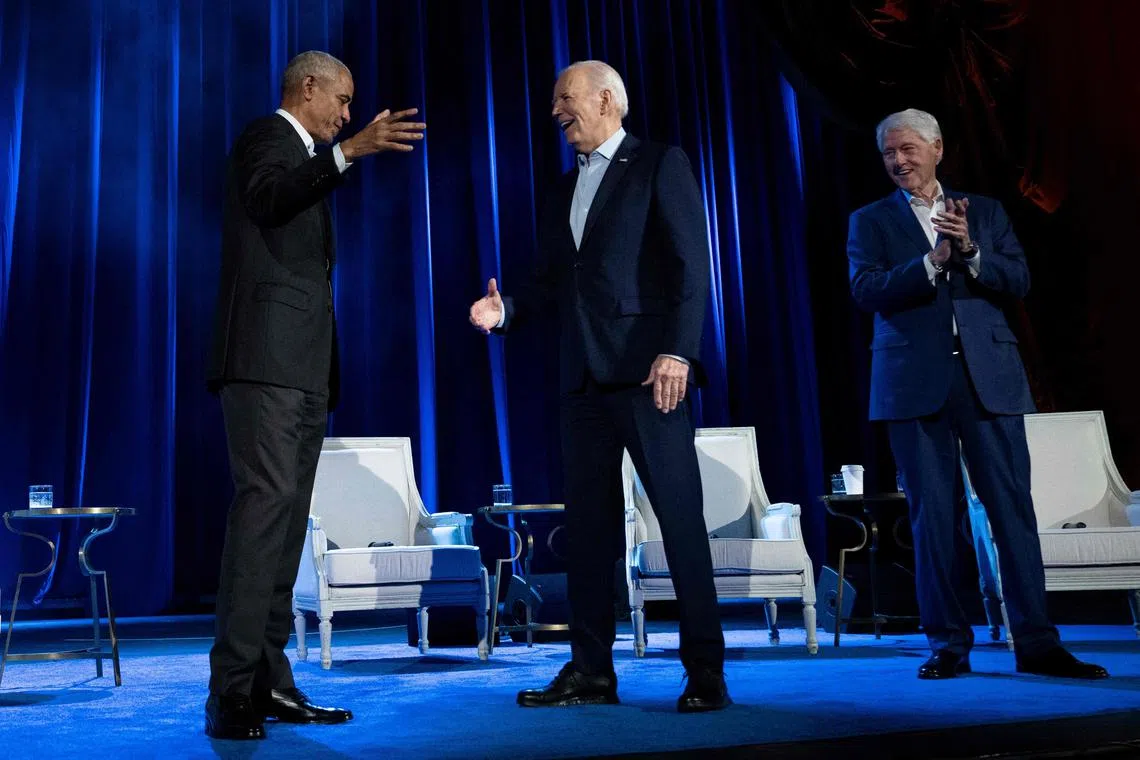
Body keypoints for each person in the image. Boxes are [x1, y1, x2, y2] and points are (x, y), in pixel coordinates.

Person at [468, 60, 729, 712]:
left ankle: (706, 673)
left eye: (565, 98)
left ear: (607, 99)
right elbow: (552, 286)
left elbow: (691, 268)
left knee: (679, 522)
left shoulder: (659, 164)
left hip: (650, 376)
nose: (556, 111)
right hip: (582, 379)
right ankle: (591, 671)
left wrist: (678, 352)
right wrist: (509, 313)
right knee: (587, 532)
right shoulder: (560, 190)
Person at [206, 50, 426, 739]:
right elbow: (269, 197)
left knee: (284, 529)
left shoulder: (305, 154)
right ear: (308, 87)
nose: (348, 113)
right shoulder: (267, 137)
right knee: (263, 518)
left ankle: (272, 684)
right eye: (343, 98)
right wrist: (348, 153)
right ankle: (231, 693)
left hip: (300, 371)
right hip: (264, 366)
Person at [846, 108, 1107, 681]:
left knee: (1012, 510)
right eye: (889, 153)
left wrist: (971, 255)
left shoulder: (982, 211)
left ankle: (1037, 642)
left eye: (909, 149)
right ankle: (948, 643)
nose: (899, 161)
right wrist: (930, 262)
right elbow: (866, 291)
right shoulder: (870, 221)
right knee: (932, 517)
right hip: (913, 384)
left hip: (988, 378)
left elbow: (1019, 280)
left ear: (938, 147)